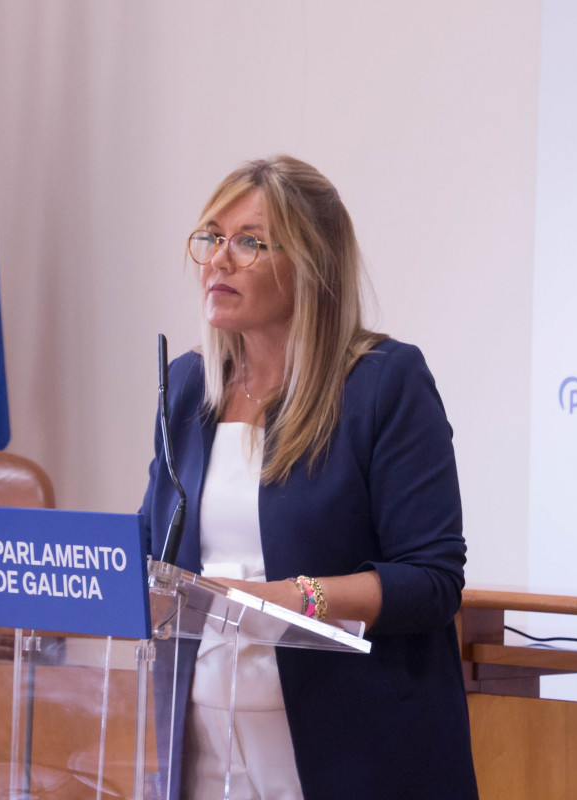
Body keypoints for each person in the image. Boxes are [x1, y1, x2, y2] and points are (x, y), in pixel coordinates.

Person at [140, 155, 478, 799]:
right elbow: (153, 546)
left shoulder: (382, 385)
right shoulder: (186, 386)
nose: (218, 260)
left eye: (248, 242)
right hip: (204, 745)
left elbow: (432, 581)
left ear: (311, 266)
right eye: (211, 237)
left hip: (345, 751)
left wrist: (286, 598)